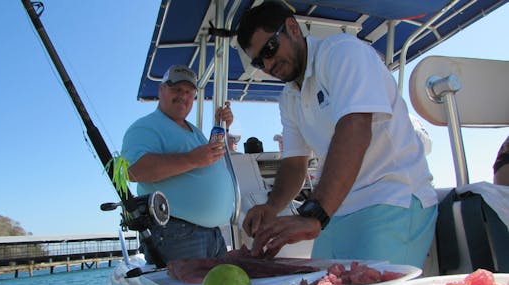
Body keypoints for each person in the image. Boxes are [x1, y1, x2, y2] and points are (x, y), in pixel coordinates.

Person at [236, 1, 438, 267]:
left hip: (391, 197)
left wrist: (314, 214)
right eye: (259, 61)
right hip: (337, 209)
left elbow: (355, 128)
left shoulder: (342, 52)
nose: (269, 64)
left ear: (292, 28)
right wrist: (271, 207)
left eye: (270, 49)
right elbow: (294, 163)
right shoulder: (289, 98)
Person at [121, 64, 234, 264]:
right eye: (176, 89)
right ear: (161, 90)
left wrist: (221, 125)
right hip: (178, 235)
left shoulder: (194, 130)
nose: (183, 96)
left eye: (189, 92)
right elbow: (132, 170)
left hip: (212, 235)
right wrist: (192, 159)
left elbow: (206, 158)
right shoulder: (145, 126)